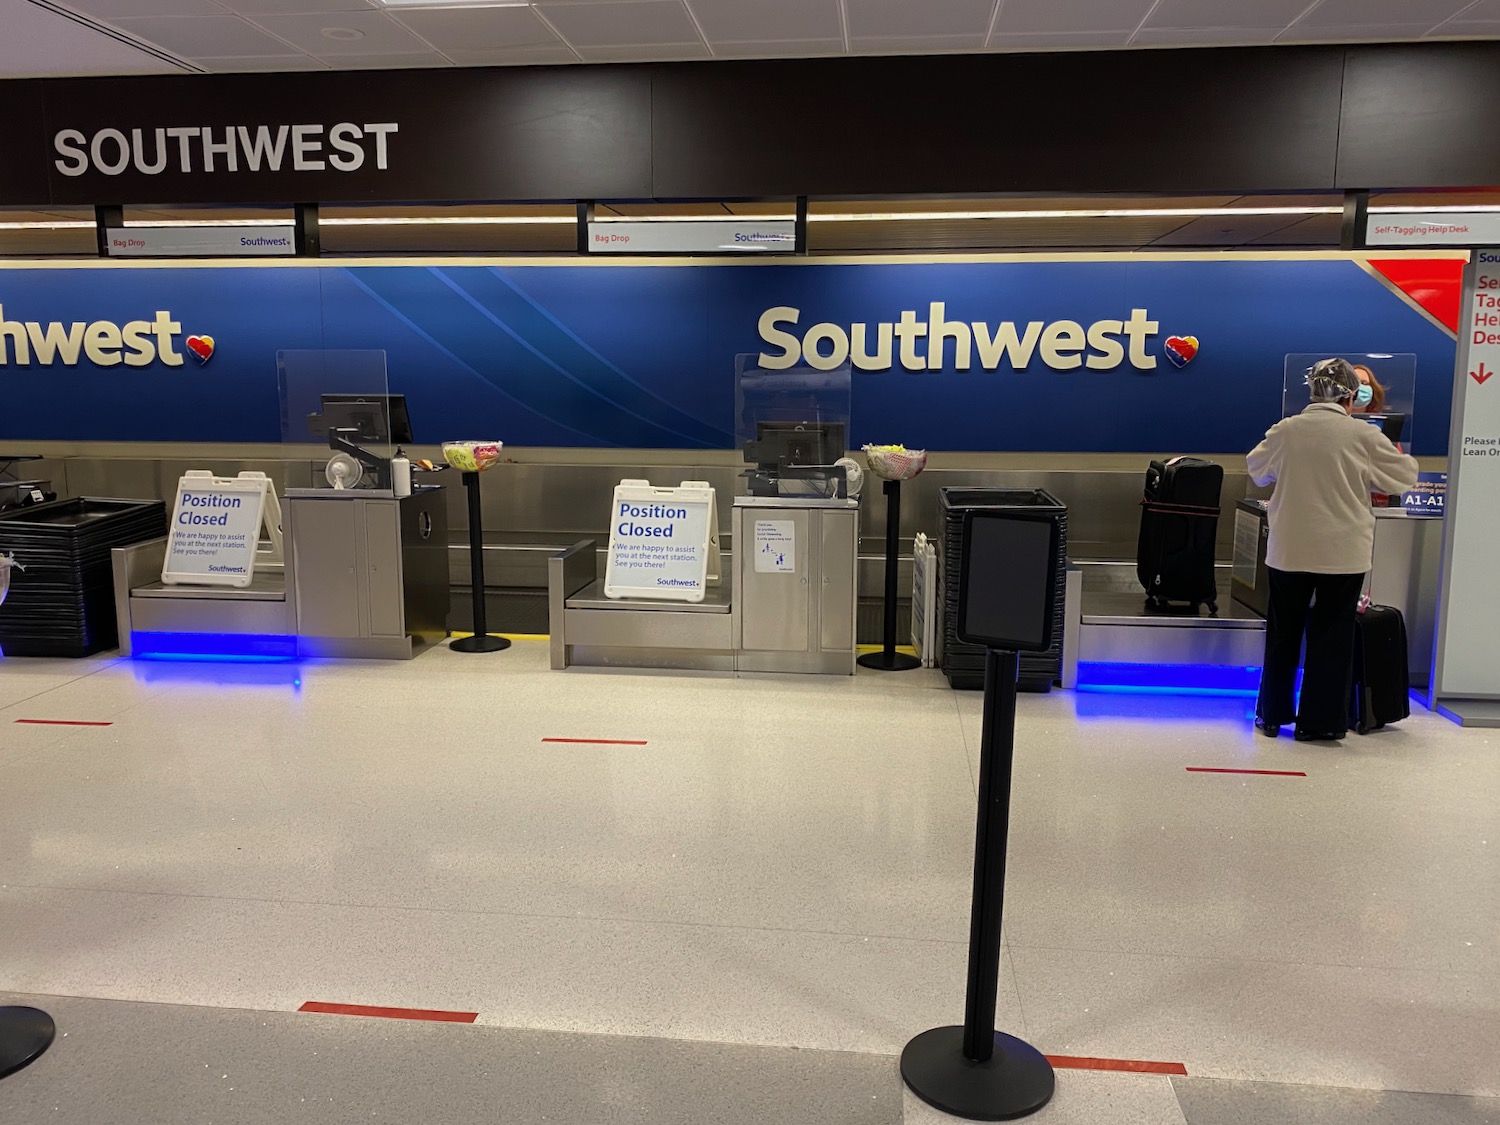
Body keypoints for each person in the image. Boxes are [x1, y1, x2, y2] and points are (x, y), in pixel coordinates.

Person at [1247, 358, 1419, 741]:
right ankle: (1320, 724)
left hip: (1290, 549)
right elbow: (1403, 477)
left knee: (1283, 634)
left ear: (1312, 391)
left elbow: (1257, 470)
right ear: (1350, 397)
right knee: (1332, 636)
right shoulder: (1363, 435)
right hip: (1343, 552)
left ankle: (1272, 715)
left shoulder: (1287, 430)